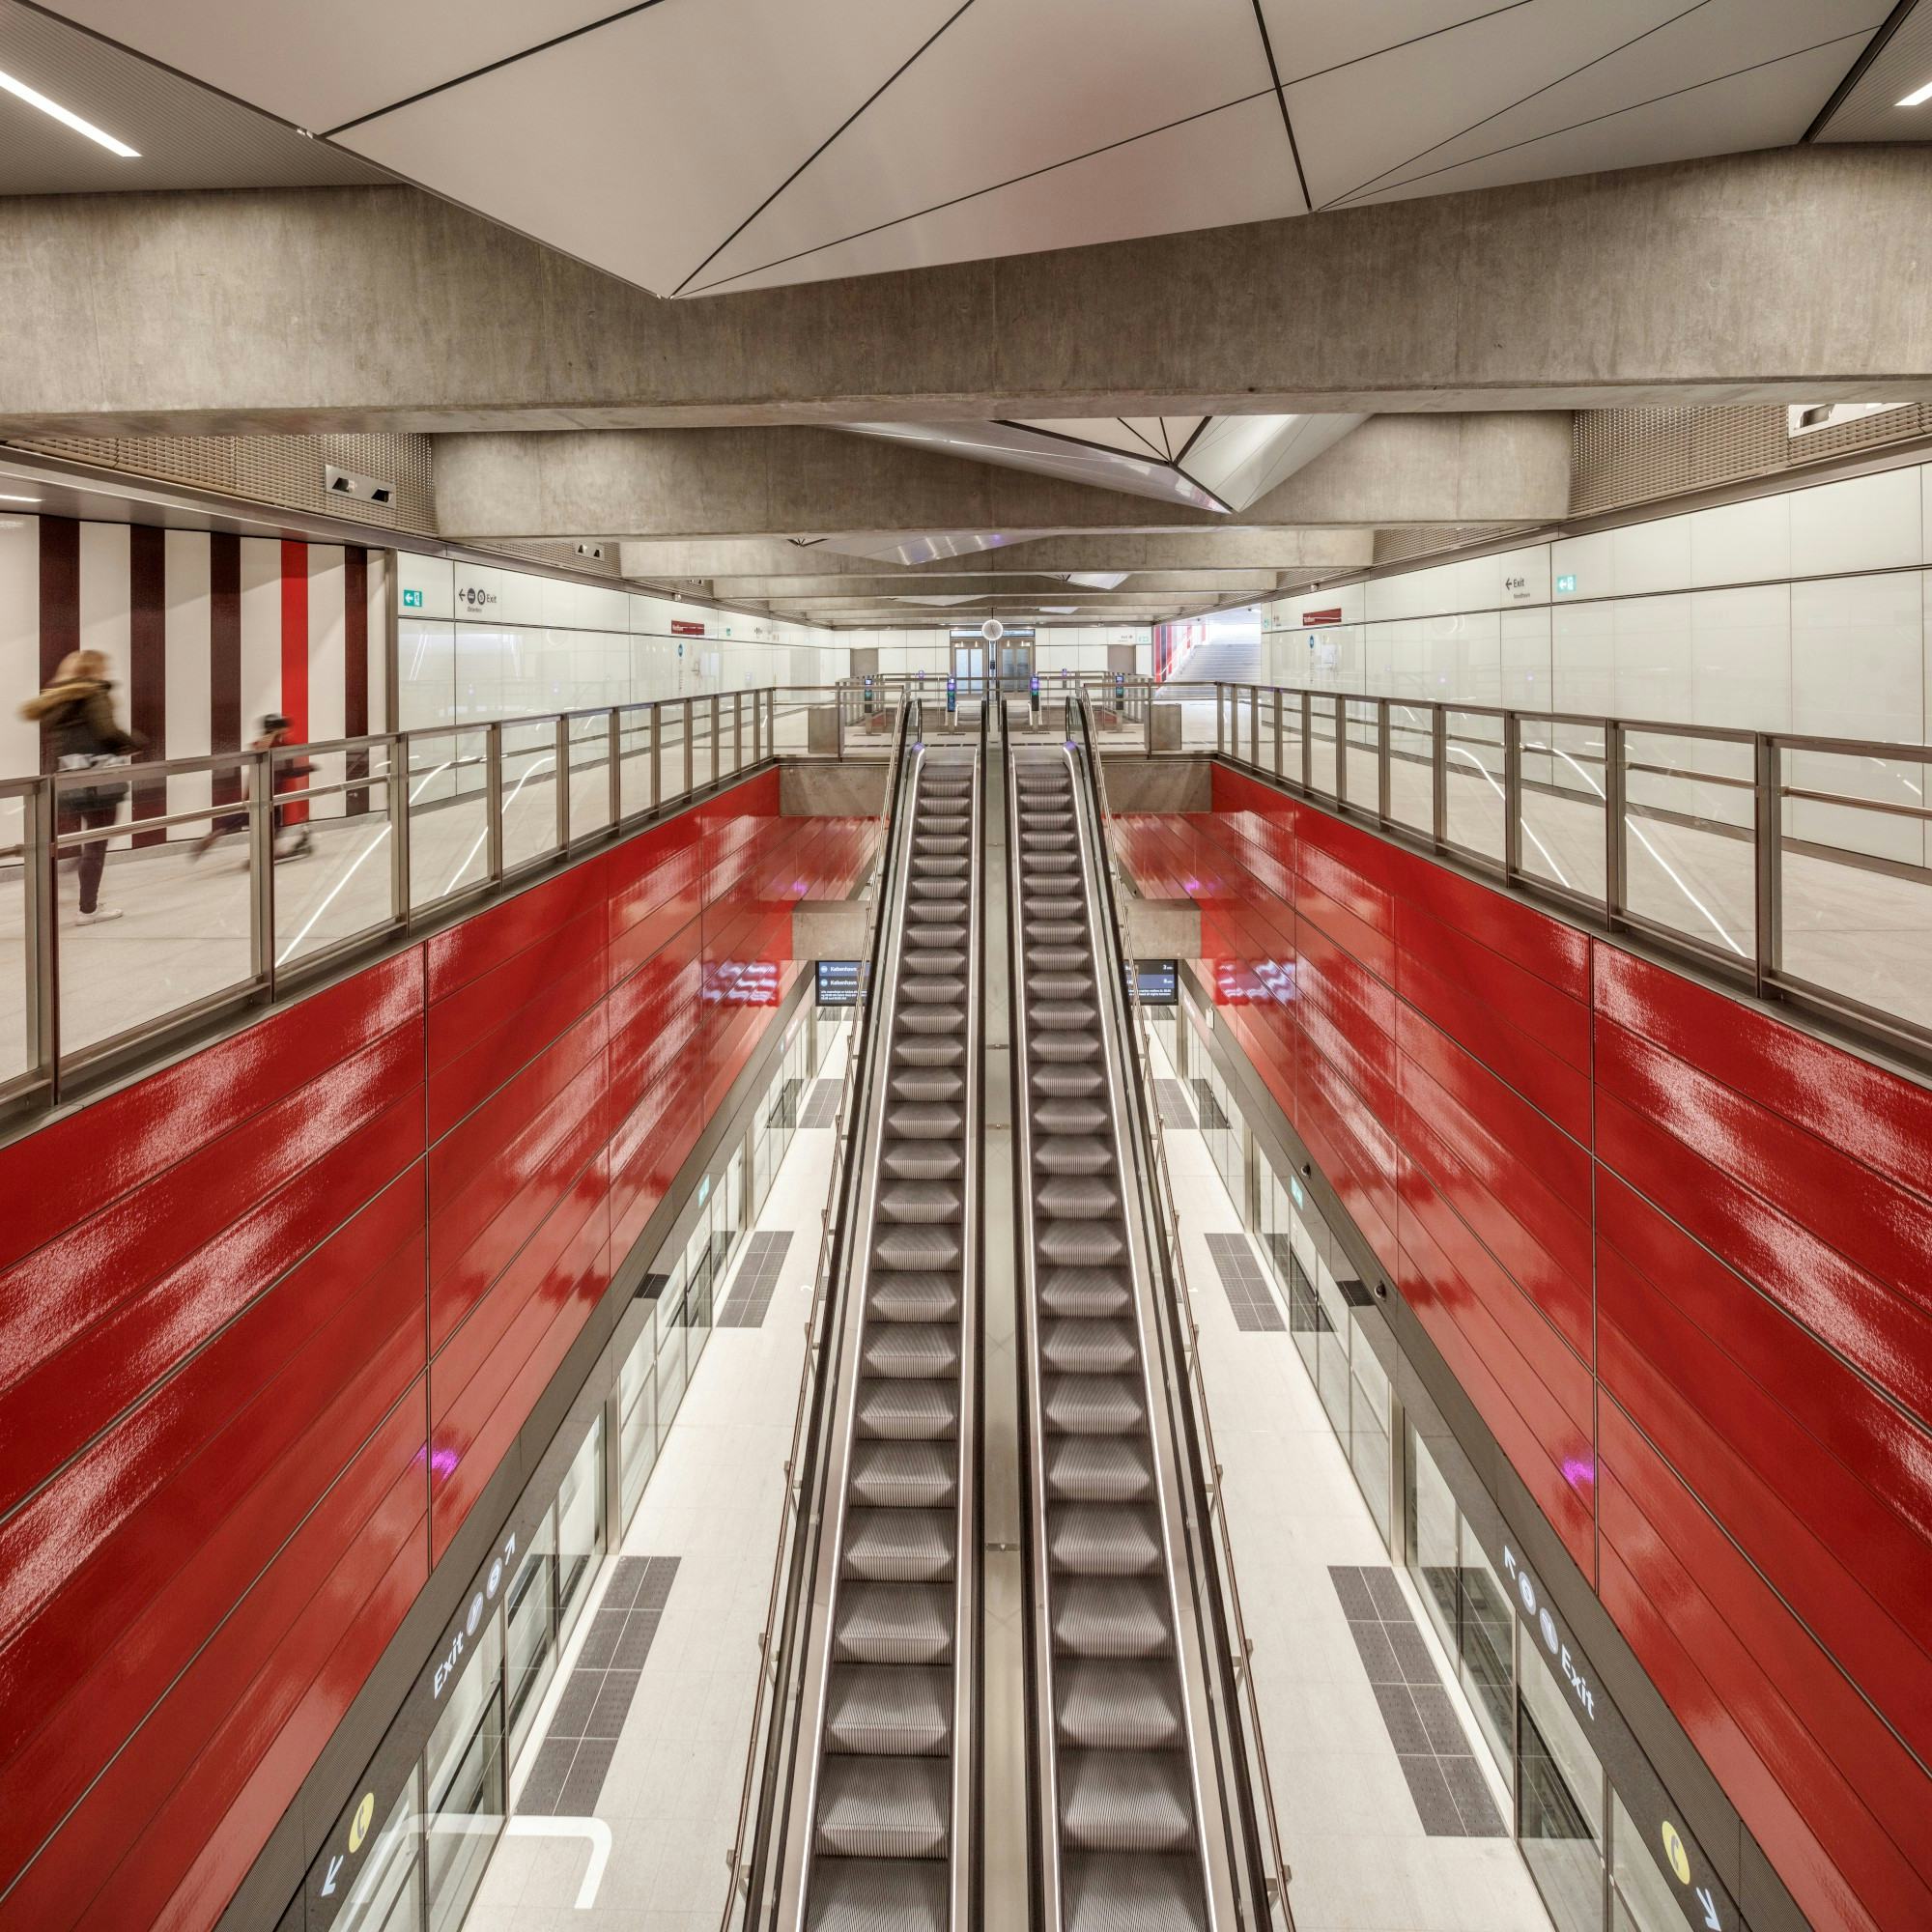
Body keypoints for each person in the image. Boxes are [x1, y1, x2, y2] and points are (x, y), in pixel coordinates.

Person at [19, 649, 146, 925]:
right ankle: (88, 910)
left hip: (65, 780)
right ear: (95, 671)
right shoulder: (95, 693)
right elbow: (107, 732)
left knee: (71, 842)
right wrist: (137, 742)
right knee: (96, 844)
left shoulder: (54, 700)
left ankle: (61, 888)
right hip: (97, 780)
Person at [188, 714, 314, 863]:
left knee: (234, 822)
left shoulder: (262, 744)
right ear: (279, 729)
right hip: (269, 794)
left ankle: (211, 838)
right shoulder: (279, 747)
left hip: (256, 794)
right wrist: (308, 768)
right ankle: (270, 852)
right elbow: (287, 771)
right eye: (284, 728)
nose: (287, 730)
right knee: (273, 824)